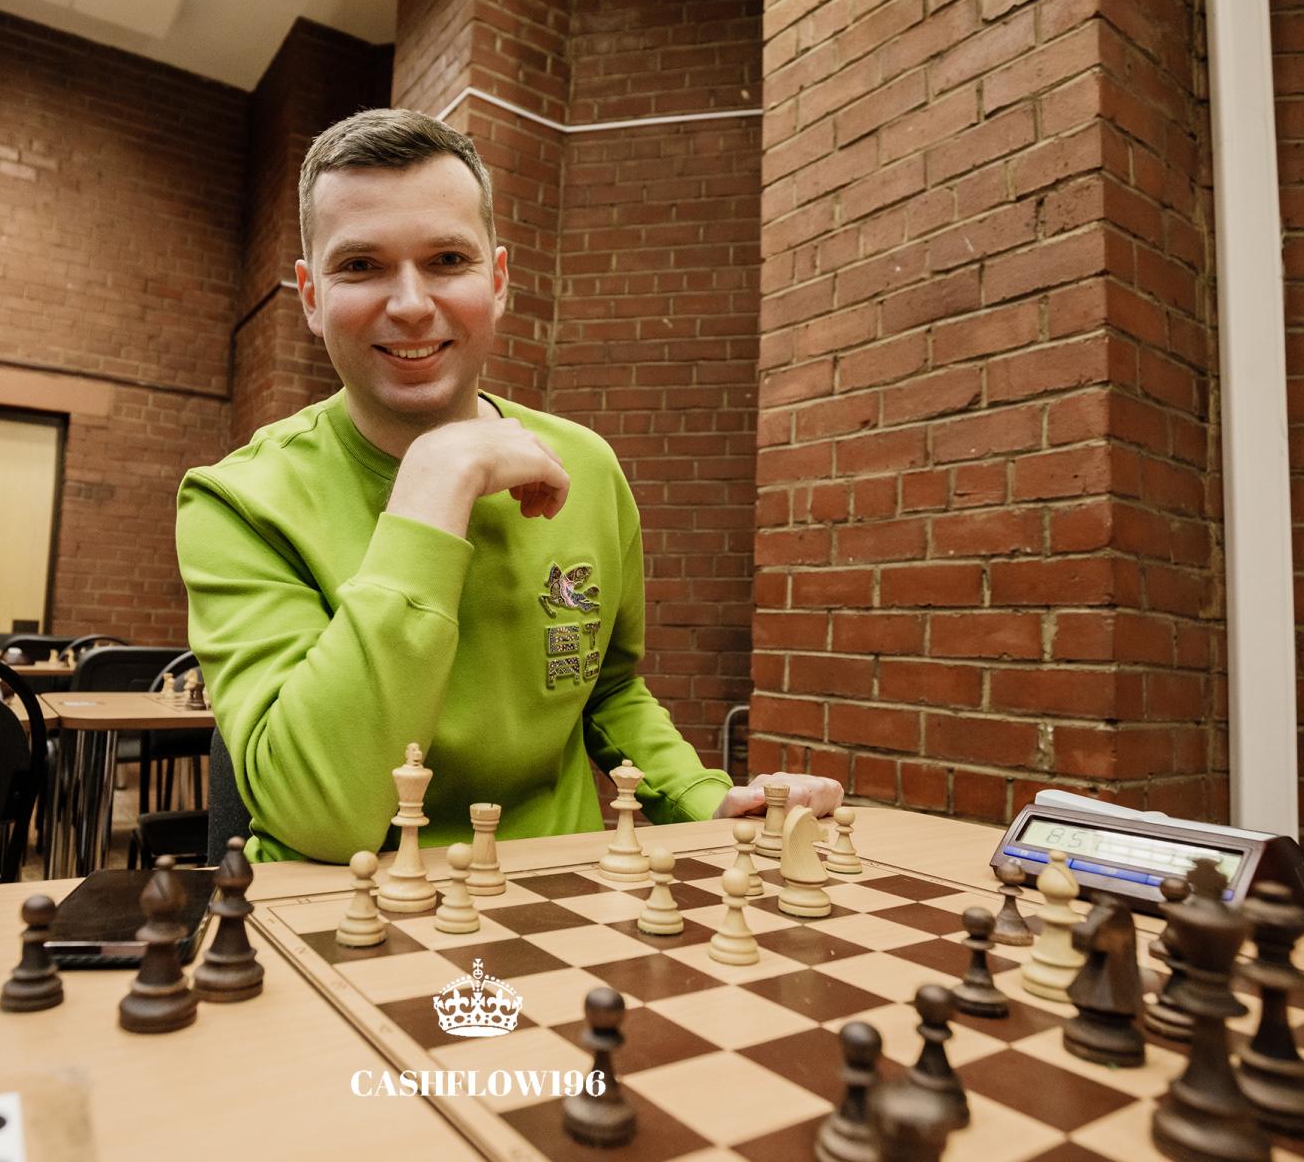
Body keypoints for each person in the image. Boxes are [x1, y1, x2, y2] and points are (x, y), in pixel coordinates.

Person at [176, 108, 841, 863]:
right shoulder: (237, 501)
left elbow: (605, 690)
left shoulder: (585, 464)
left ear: (496, 281)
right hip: (342, 896)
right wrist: (433, 486)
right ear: (309, 296)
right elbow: (323, 818)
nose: (411, 304)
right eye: (359, 266)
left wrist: (700, 799)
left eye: (446, 259)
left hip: (563, 890)